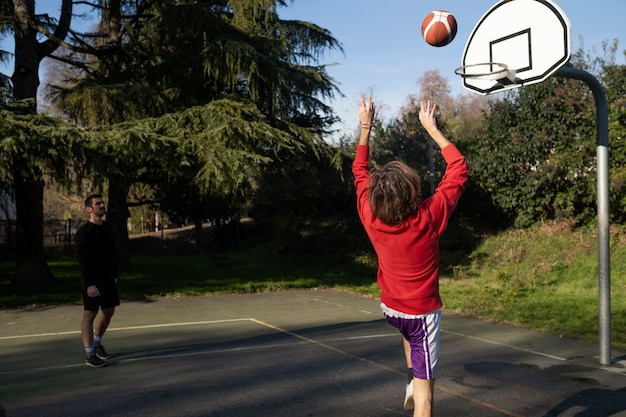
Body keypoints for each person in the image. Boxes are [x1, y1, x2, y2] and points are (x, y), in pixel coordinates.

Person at [352, 95, 469, 417]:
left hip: (391, 308)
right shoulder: (428, 218)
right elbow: (458, 168)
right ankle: (416, 384)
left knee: (408, 334)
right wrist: (431, 127)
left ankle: (410, 378)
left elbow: (359, 169)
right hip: (422, 315)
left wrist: (366, 126)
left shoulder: (369, 214)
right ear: (412, 191)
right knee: (426, 400)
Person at [75, 194, 119, 368]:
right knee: (90, 314)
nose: (102, 205)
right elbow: (82, 260)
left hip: (108, 278)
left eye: (102, 202)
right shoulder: (83, 233)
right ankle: (89, 354)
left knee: (109, 310)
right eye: (98, 203)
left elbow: (112, 254)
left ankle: (97, 342)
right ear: (89, 209)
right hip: (92, 280)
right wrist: (90, 283)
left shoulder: (107, 228)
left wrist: (114, 275)